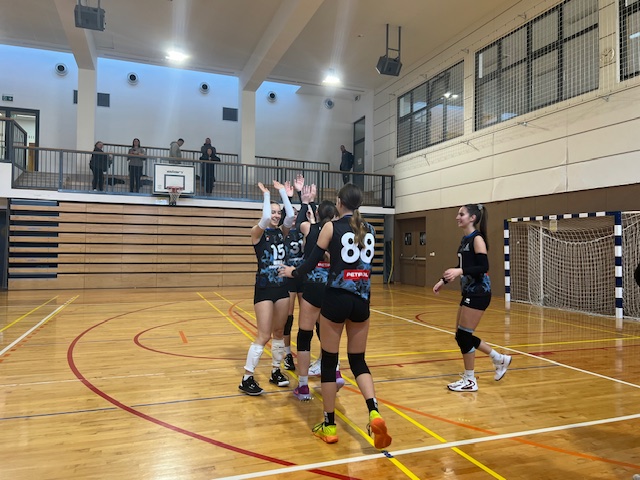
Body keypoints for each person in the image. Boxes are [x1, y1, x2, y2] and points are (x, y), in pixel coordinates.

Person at [280, 184, 392, 449]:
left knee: (329, 362)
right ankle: (374, 411)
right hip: (362, 301)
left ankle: (329, 425)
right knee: (358, 361)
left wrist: (293, 272)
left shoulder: (331, 227)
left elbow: (311, 261)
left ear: (340, 202)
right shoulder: (370, 229)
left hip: (337, 298)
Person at [432, 203, 511, 392]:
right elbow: (463, 266)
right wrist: (444, 280)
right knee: (461, 336)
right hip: (469, 291)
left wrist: (459, 271)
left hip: (479, 292)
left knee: (464, 336)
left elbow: (483, 267)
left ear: (472, 218)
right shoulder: (465, 239)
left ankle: (470, 380)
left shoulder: (477, 239)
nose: (457, 217)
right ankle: (499, 359)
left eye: (461, 214)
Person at [239, 180, 295, 396]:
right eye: (273, 212)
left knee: (279, 332)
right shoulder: (257, 232)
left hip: (281, 288)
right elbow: (263, 219)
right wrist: (266, 195)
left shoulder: (282, 232)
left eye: (278, 212)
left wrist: (283, 194)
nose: (276, 215)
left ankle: (276, 371)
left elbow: (291, 215)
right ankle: (247, 377)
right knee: (263, 335)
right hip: (264, 289)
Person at [291, 185, 342, 401]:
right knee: (328, 334)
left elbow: (297, 224)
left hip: (312, 285)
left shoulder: (310, 230)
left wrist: (305, 202)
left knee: (305, 335)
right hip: (332, 288)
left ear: (318, 214)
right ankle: (336, 372)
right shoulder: (338, 233)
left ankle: (303, 386)